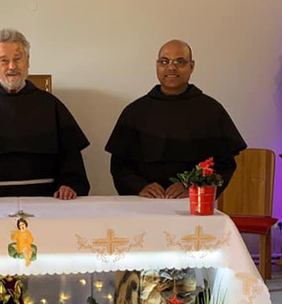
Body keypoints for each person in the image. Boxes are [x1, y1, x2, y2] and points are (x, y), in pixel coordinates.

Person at [0, 28, 90, 201]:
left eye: (17, 59)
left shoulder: (50, 104)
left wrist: (69, 183)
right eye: (4, 60)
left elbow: (71, 155)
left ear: (28, 61)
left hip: (47, 201)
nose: (12, 66)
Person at [105, 40, 246, 199]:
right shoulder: (135, 111)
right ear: (157, 65)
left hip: (192, 203)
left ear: (191, 66)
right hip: (145, 202)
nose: (171, 68)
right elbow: (120, 166)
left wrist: (194, 186)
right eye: (164, 62)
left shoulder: (211, 110)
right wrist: (139, 187)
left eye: (180, 62)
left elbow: (224, 165)